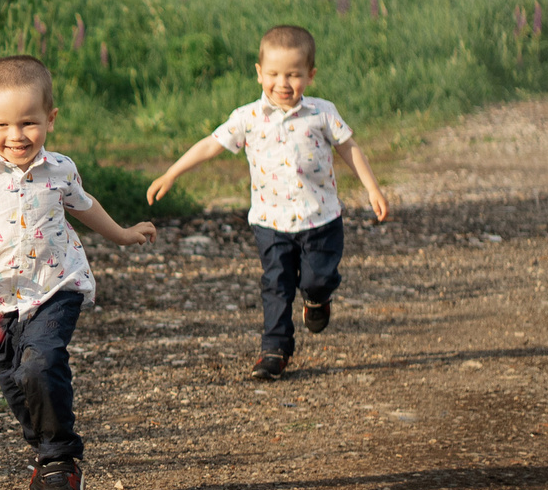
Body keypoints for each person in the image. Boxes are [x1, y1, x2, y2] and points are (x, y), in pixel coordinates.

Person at [0, 54, 156, 490]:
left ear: (50, 119)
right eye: (3, 126)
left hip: (55, 285)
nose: (16, 137)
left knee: (40, 363)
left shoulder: (60, 169)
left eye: (29, 123)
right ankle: (45, 447)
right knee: (15, 381)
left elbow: (84, 206)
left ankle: (60, 459)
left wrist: (123, 234)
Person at [145, 22, 391, 380]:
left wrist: (372, 188)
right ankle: (274, 349)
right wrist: (171, 173)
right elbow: (211, 144)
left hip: (320, 218)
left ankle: (317, 299)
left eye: (294, 74)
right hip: (269, 222)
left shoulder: (322, 113)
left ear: (310, 74)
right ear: (259, 74)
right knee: (275, 284)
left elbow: (349, 148)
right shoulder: (248, 117)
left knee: (317, 280)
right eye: (274, 74)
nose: (283, 83)